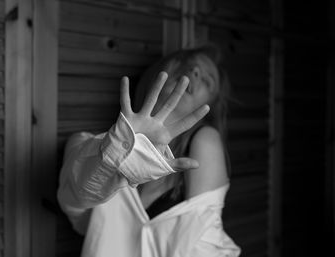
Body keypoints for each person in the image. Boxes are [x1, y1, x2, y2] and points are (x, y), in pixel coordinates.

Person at [58, 45, 241, 257]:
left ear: (209, 106)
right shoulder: (85, 145)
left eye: (207, 80)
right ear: (164, 69)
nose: (195, 73)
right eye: (189, 65)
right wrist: (121, 150)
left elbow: (204, 243)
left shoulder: (204, 142)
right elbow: (73, 205)